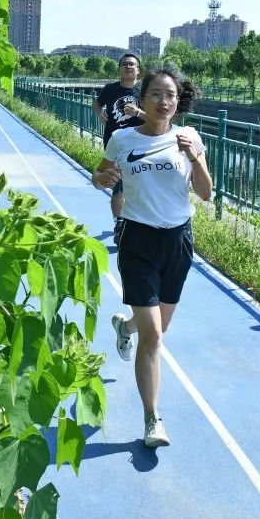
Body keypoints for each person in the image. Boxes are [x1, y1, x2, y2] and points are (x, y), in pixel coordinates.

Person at [91, 66, 213, 448]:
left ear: (178, 101)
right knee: (155, 337)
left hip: (177, 241)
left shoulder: (189, 137)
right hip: (137, 239)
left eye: (170, 95)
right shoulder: (123, 139)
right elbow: (99, 175)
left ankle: (125, 327)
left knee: (156, 329)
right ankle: (152, 419)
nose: (164, 101)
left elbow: (206, 193)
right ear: (142, 98)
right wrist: (102, 179)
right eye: (156, 94)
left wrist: (195, 158)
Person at [95, 53, 145, 243]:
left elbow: (156, 118)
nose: (128, 67)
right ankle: (119, 223)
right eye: (125, 64)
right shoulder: (110, 89)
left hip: (141, 145)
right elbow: (97, 103)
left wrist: (138, 112)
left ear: (138, 70)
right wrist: (100, 112)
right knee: (118, 185)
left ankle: (139, 222)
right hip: (115, 145)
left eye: (132, 64)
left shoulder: (145, 90)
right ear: (119, 69)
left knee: (140, 186)